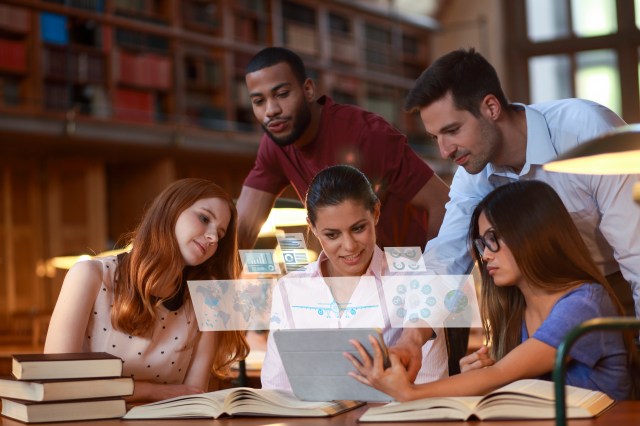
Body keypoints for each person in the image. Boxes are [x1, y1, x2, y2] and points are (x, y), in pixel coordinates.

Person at [347, 180, 636, 401]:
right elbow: (512, 382)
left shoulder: (584, 303)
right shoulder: (515, 309)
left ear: (531, 233)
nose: (485, 255)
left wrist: (410, 392)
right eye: (483, 243)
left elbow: (503, 373)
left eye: (493, 239)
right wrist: (479, 378)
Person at [412, 48, 640, 318]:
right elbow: (447, 253)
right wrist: (412, 327)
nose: (444, 151)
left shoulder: (586, 130)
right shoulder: (474, 172)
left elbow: (636, 253)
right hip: (545, 298)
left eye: (452, 131)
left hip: (619, 282)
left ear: (491, 108)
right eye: (434, 137)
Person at [45, 178, 249, 402]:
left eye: (219, 234)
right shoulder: (89, 275)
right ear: (171, 210)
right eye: (204, 218)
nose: (212, 237)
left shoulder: (209, 297)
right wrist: (153, 391)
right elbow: (58, 378)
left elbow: (193, 398)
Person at [236, 46, 450, 252]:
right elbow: (242, 229)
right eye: (259, 101)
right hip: (355, 275)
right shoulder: (274, 146)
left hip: (409, 270)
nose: (271, 110)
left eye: (282, 94)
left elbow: (443, 204)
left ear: (308, 90)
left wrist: (427, 275)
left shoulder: (366, 134)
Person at [262, 165, 449, 390]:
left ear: (376, 213)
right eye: (332, 235)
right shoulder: (289, 288)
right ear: (312, 226)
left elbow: (430, 388)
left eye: (358, 228)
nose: (349, 246)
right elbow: (276, 389)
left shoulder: (416, 282)